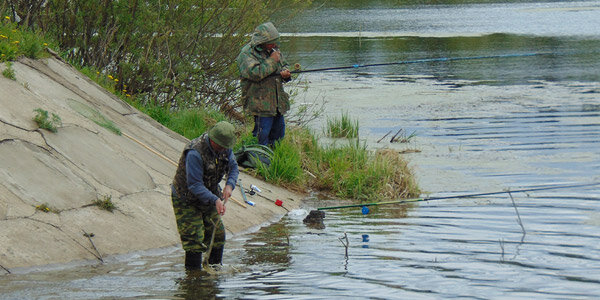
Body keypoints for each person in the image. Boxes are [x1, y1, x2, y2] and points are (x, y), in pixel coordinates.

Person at [171, 121, 239, 270]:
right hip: (186, 199)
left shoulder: (226, 148)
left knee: (218, 236)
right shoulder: (195, 152)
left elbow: (233, 167)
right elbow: (194, 185)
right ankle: (193, 279)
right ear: (213, 140)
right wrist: (215, 200)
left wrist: (229, 185)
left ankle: (214, 272)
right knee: (194, 241)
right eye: (221, 146)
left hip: (210, 195)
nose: (224, 149)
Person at [237, 22, 292, 147]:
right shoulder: (246, 54)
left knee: (278, 136)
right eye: (271, 42)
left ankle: (274, 162)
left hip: (277, 104)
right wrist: (272, 60)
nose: (274, 45)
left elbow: (284, 64)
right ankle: (258, 162)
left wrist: (286, 74)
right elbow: (255, 73)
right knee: (261, 137)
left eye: (275, 41)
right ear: (261, 41)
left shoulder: (274, 50)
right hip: (260, 104)